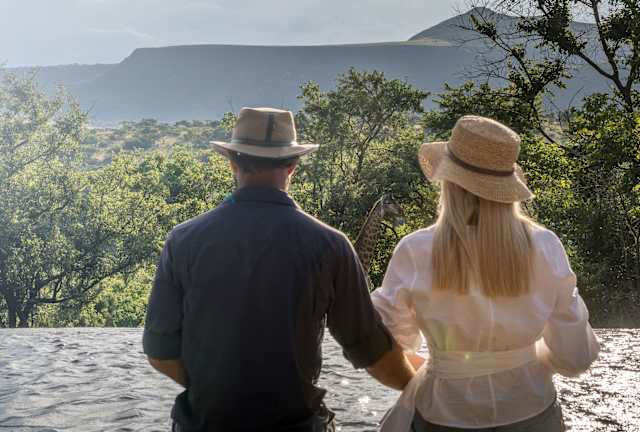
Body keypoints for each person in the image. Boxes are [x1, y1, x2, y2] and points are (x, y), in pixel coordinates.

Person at [142, 107, 415, 432]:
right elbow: (374, 354)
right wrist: (428, 390)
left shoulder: (183, 240)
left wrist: (216, 387)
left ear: (233, 163)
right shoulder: (331, 245)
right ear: (292, 165)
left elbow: (159, 351)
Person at [371, 115, 600, 432]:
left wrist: (442, 370)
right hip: (533, 414)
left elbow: (383, 344)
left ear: (449, 182)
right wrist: (525, 359)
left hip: (443, 415)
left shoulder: (415, 250)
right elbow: (575, 357)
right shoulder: (545, 246)